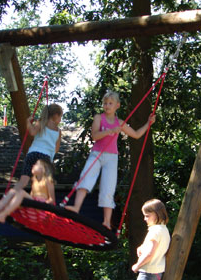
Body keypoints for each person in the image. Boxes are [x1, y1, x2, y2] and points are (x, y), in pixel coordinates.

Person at [65, 91, 155, 229]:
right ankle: (76, 207)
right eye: (105, 103)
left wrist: (148, 124)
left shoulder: (120, 122)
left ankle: (106, 221)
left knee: (108, 187)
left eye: (110, 103)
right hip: (97, 154)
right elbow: (95, 136)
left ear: (117, 106)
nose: (107, 106)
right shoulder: (99, 118)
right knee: (86, 177)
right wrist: (109, 131)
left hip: (111, 157)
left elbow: (136, 135)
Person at [0, 158, 55, 223]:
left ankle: (3, 215)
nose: (33, 165)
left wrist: (43, 205)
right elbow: (31, 197)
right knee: (12, 192)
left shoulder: (48, 181)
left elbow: (52, 200)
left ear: (43, 169)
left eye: (36, 164)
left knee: (21, 192)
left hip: (41, 211)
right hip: (32, 211)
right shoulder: (34, 181)